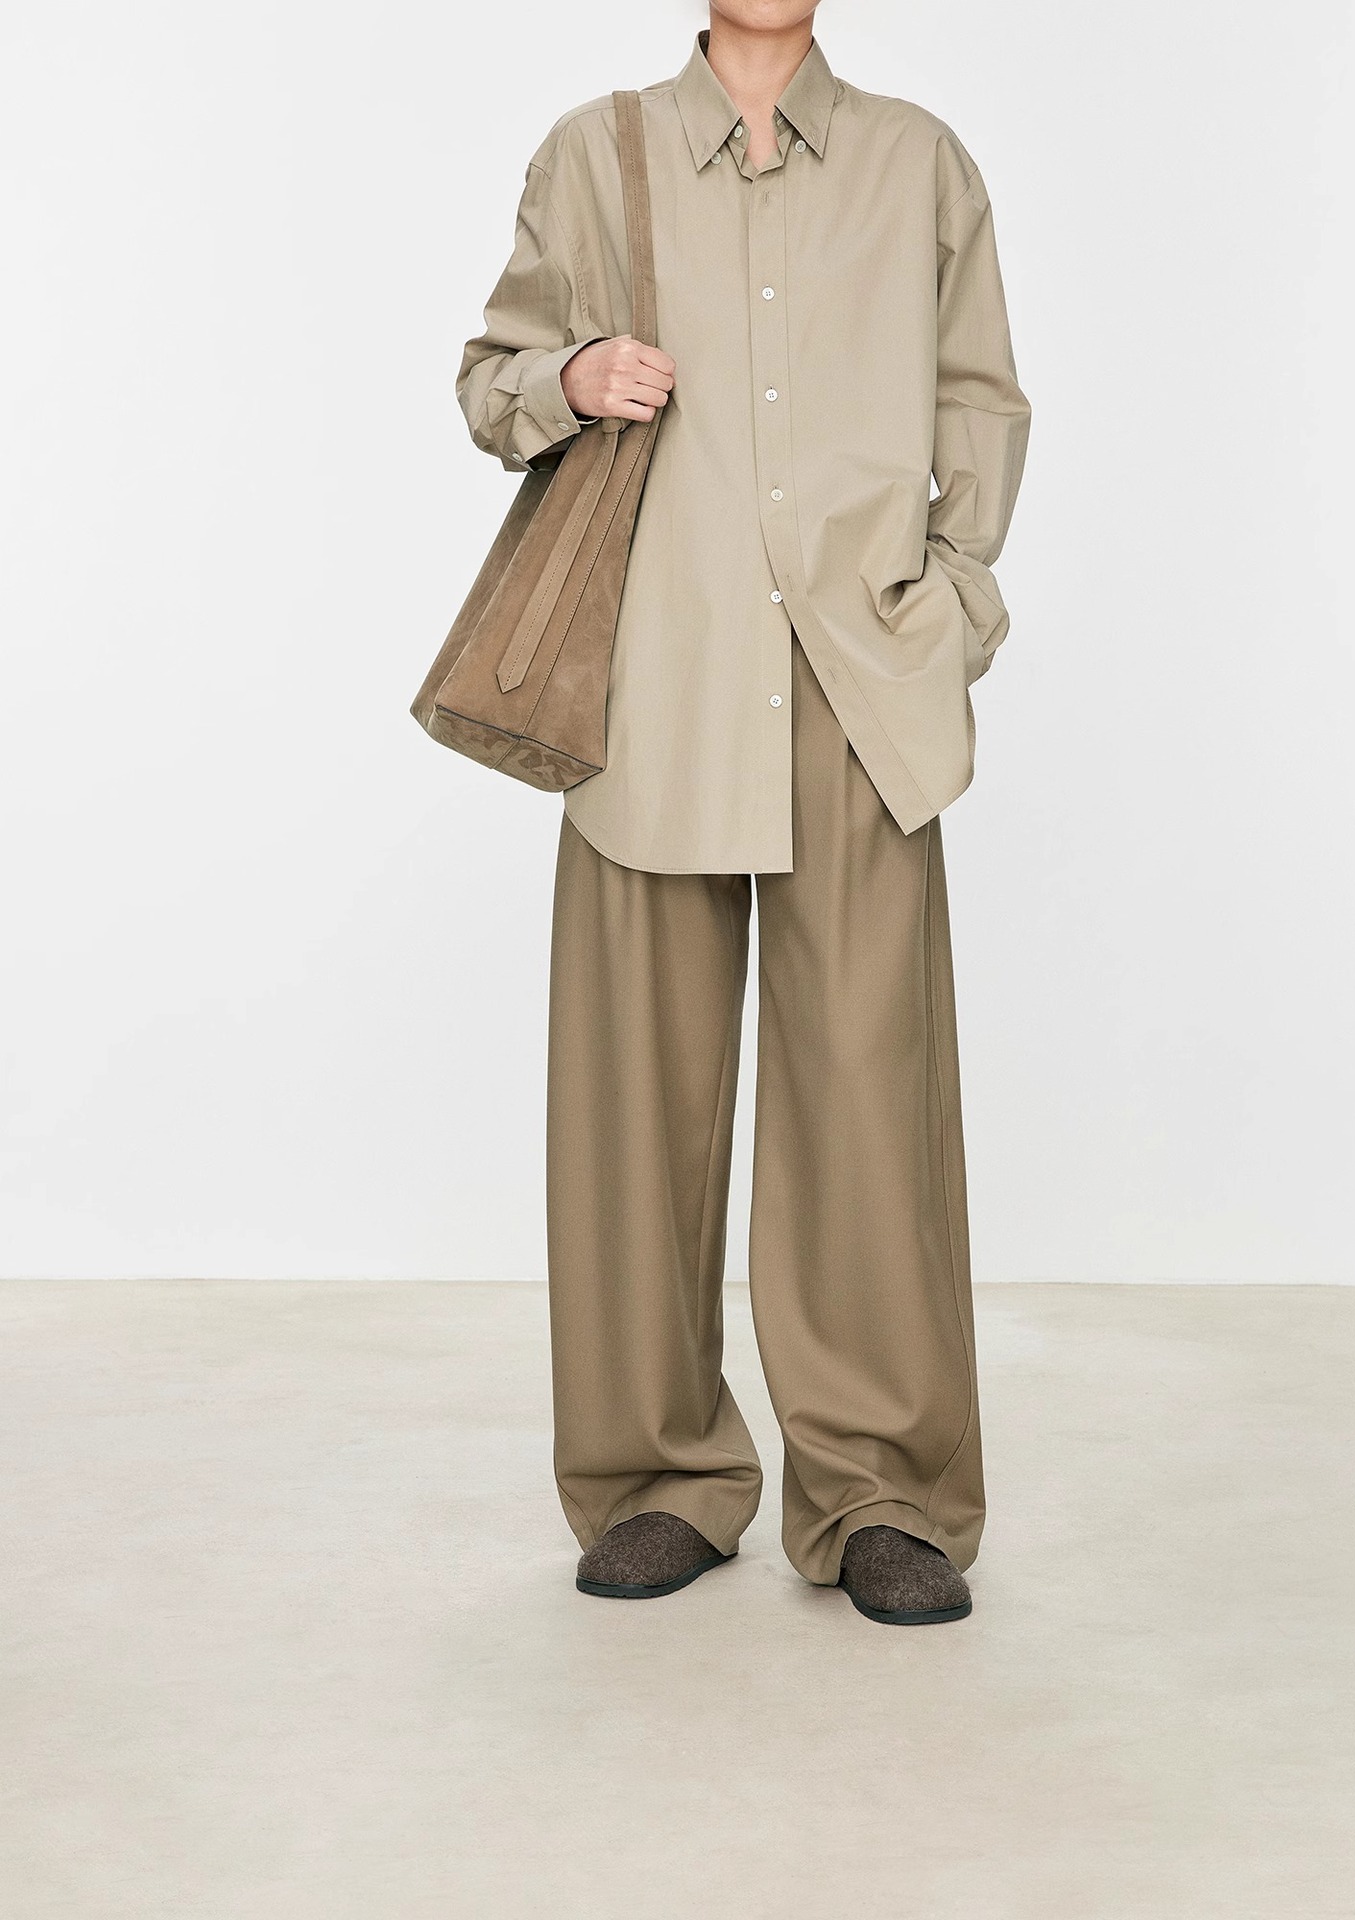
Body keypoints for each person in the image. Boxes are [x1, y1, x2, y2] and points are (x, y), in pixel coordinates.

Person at [455, 1, 1030, 1625]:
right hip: (654, 684)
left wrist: (949, 610)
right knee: (636, 1106)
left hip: (859, 686)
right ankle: (656, 1479)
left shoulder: (919, 163)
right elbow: (491, 383)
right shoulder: (596, 153)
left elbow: (981, 403)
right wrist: (572, 375)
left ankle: (882, 1491)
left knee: (870, 1095)